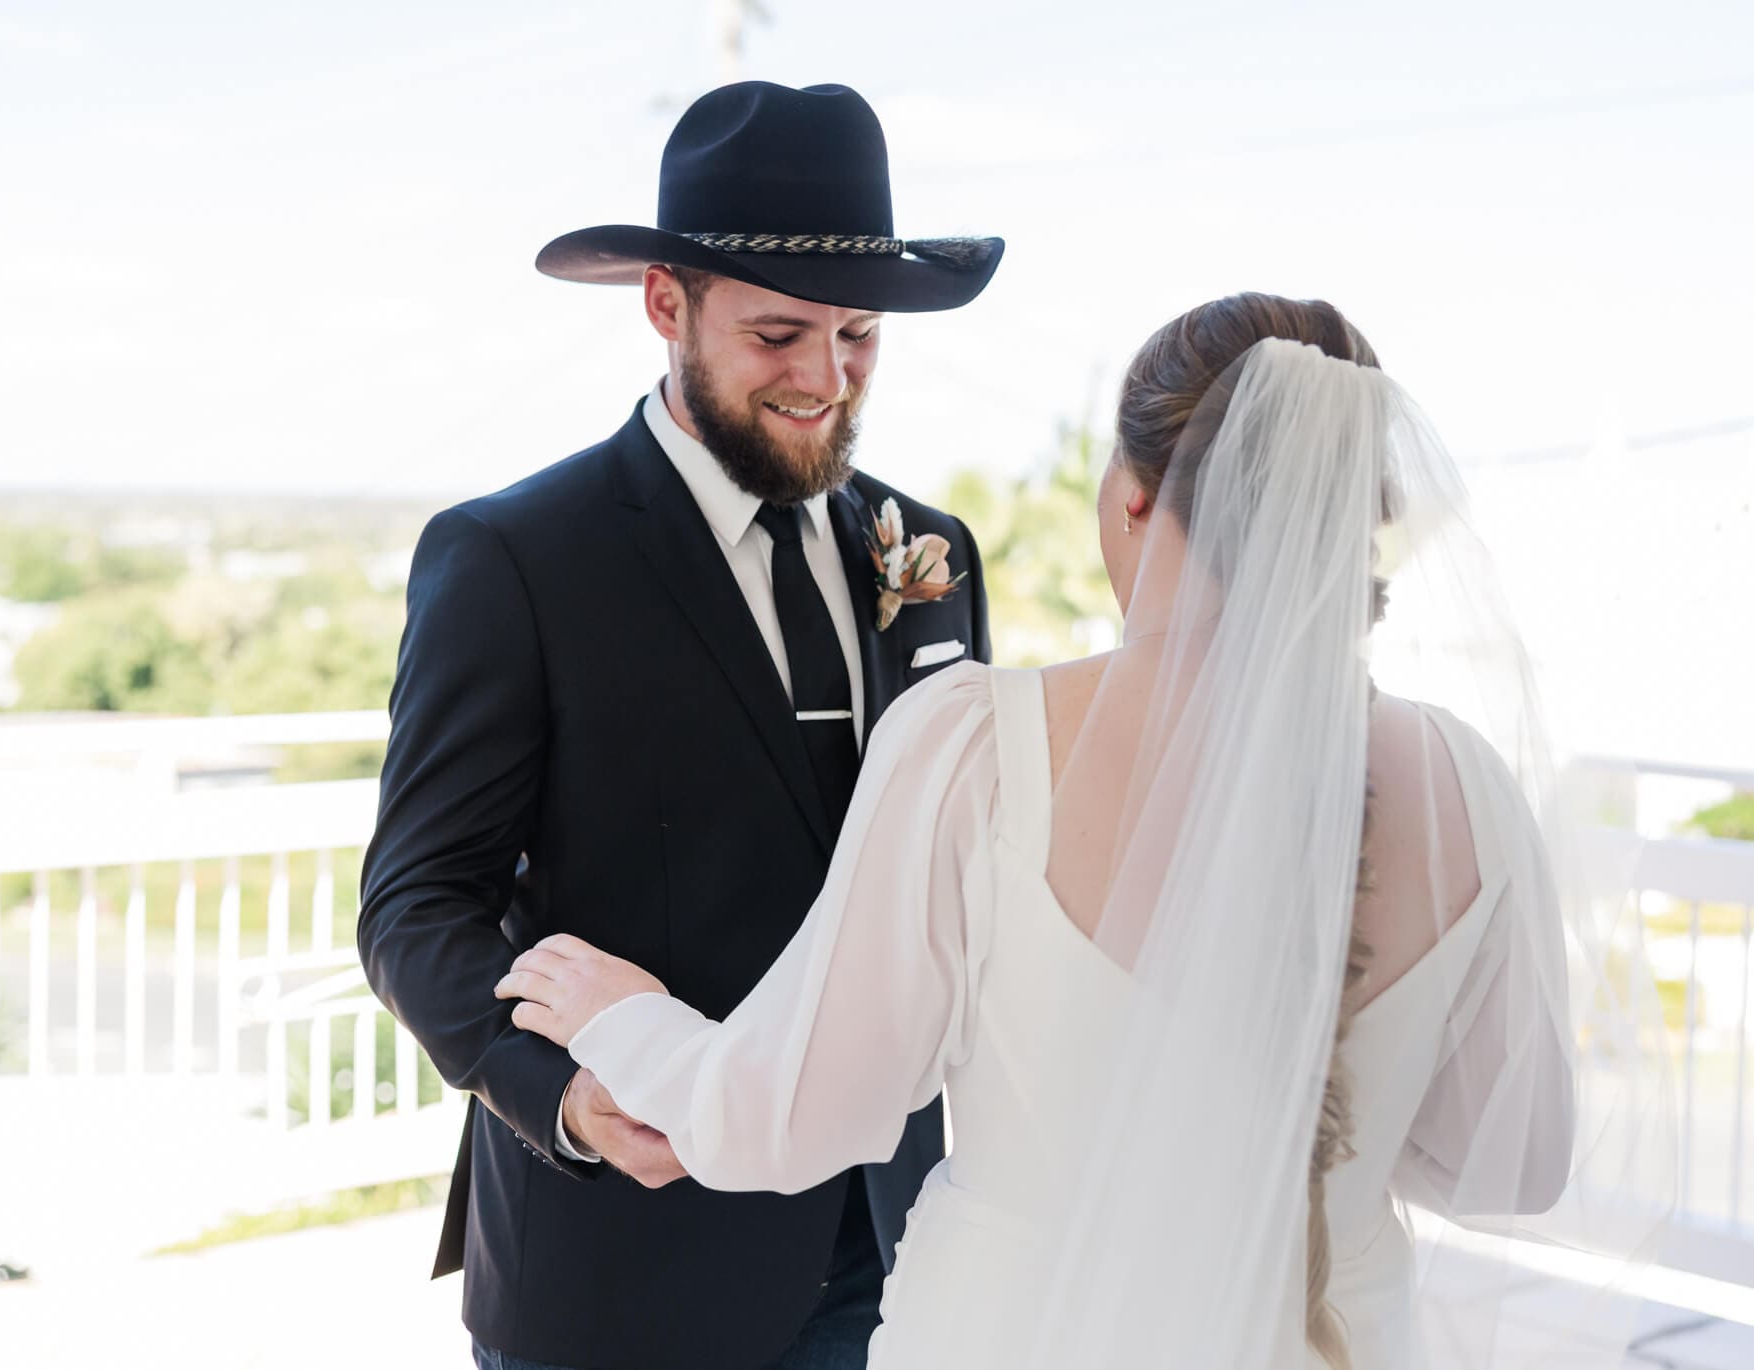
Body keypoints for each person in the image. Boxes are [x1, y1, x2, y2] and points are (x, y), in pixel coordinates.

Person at [498, 293, 1674, 1368]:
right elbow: (1515, 1163)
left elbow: (785, 1119)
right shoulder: (1464, 781)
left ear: (1131, 497)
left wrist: (625, 1020)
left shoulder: (980, 747)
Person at [358, 80, 1001, 1370]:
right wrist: (567, 1100)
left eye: (860, 337)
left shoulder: (929, 550)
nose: (826, 380)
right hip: (626, 1258)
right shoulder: (512, 557)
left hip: (896, 1240)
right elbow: (417, 903)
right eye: (778, 334)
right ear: (666, 303)